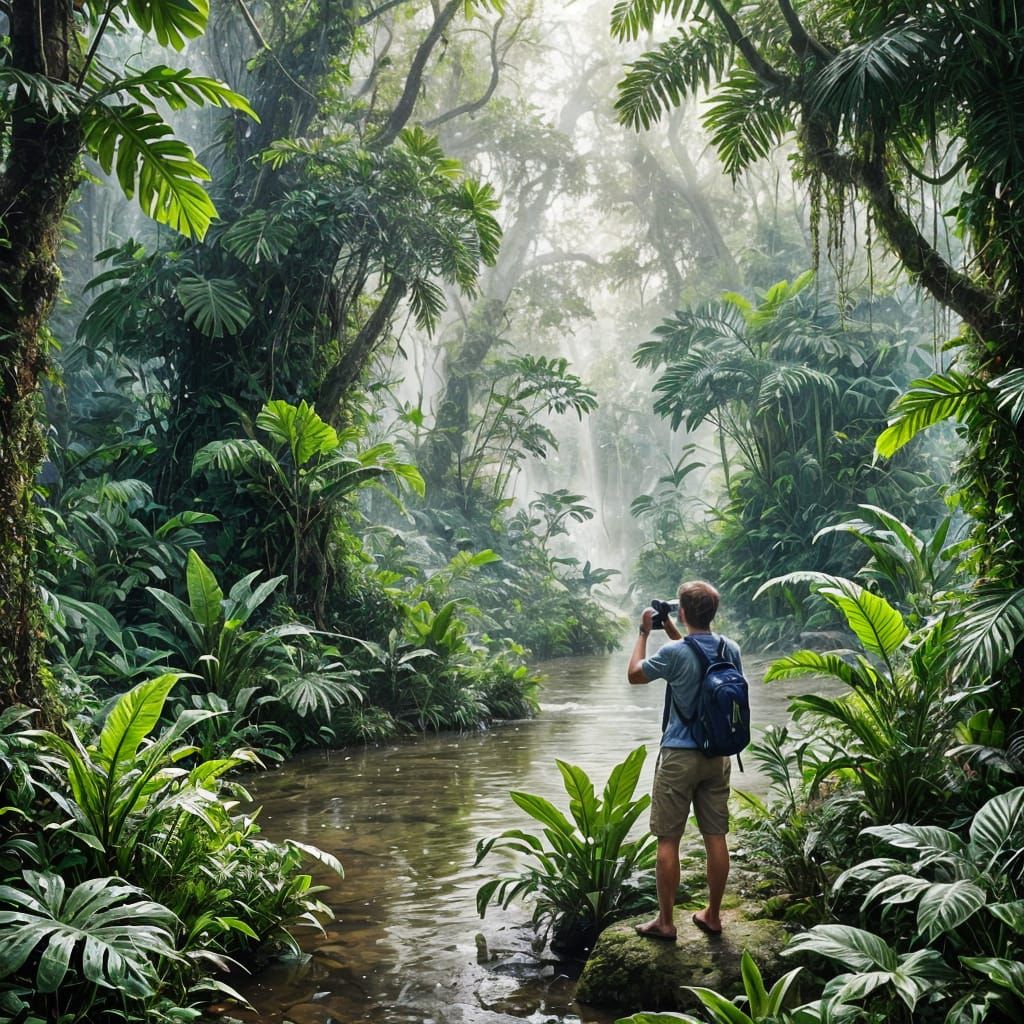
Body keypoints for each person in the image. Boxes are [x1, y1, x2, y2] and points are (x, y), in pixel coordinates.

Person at [626, 580, 741, 940]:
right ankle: (713, 915)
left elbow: (635, 674)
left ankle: (665, 922)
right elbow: (698, 657)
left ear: (685, 612)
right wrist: (674, 629)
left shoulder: (673, 653)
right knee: (716, 836)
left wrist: (644, 633)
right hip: (717, 754)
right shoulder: (730, 648)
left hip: (679, 755)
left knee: (668, 839)